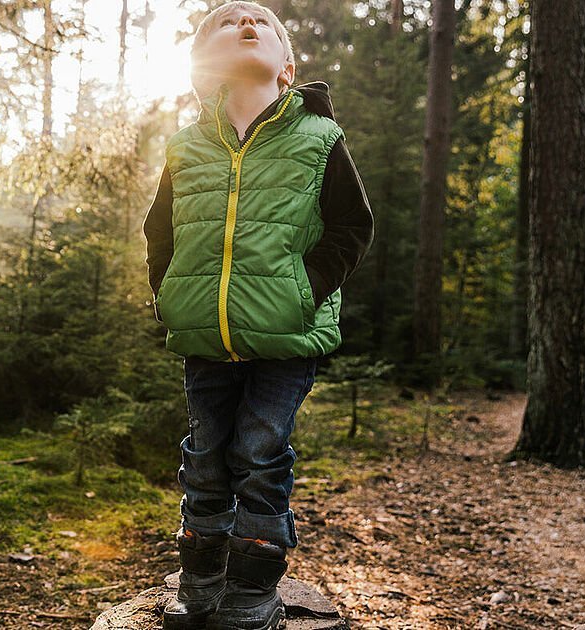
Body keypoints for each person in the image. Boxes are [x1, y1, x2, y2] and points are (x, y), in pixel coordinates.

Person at [142, 2, 375, 628]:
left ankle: (253, 588)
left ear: (288, 68)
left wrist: (306, 288)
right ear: (203, 65)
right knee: (207, 454)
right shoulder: (186, 146)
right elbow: (158, 231)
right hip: (204, 336)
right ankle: (201, 578)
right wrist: (167, 294)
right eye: (225, 23)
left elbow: (354, 227)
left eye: (262, 23)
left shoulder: (318, 138)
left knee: (261, 450)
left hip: (288, 335)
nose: (245, 24)